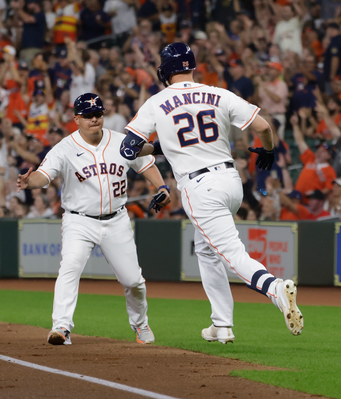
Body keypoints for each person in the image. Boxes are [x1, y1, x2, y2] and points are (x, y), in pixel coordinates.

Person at [121, 43, 304, 343]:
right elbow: (263, 126)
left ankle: (275, 290)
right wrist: (268, 151)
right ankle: (221, 324)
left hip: (200, 187)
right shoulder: (218, 93)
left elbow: (129, 147)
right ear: (192, 67)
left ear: (165, 71)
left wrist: (159, 146)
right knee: (206, 250)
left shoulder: (157, 101)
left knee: (231, 252)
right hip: (231, 181)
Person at [16, 93, 170, 346]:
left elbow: (146, 165)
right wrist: (29, 182)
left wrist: (162, 186)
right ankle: (61, 327)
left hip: (116, 220)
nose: (94, 119)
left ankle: (141, 324)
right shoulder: (64, 148)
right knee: (70, 267)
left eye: (97, 114)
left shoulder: (121, 142)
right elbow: (43, 175)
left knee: (133, 281)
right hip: (79, 221)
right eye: (88, 116)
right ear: (76, 119)